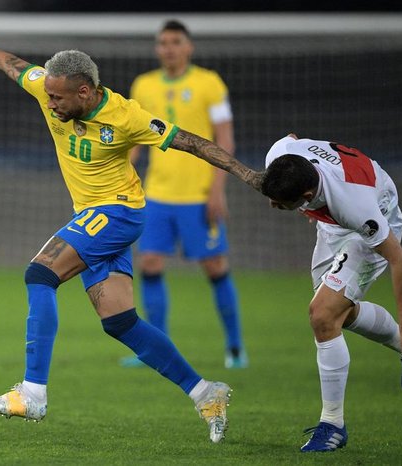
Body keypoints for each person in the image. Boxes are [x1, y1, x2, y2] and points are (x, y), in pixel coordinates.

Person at [0, 36, 261, 443]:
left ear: (85, 92)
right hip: (93, 215)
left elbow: (194, 142)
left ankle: (32, 393)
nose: (49, 104)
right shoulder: (45, 85)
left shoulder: (127, 117)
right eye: (47, 94)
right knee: (120, 323)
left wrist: (251, 177)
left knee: (40, 274)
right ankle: (206, 392)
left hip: (119, 212)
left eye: (58, 98)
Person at [261, 133, 402, 452]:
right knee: (335, 316)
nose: (272, 206)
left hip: (374, 223)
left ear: (308, 195)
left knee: (323, 315)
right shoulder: (282, 156)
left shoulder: (356, 207)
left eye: (280, 203)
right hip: (331, 226)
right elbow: (292, 138)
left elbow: (400, 260)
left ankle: (333, 425)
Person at [124, 20, 246, 369]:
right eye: (163, 42)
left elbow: (225, 140)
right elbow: (133, 140)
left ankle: (235, 347)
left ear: (188, 47)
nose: (169, 48)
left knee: (215, 266)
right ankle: (156, 349)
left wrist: (218, 190)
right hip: (156, 195)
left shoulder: (209, 83)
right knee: (148, 263)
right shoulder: (143, 85)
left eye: (176, 41)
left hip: (199, 194)